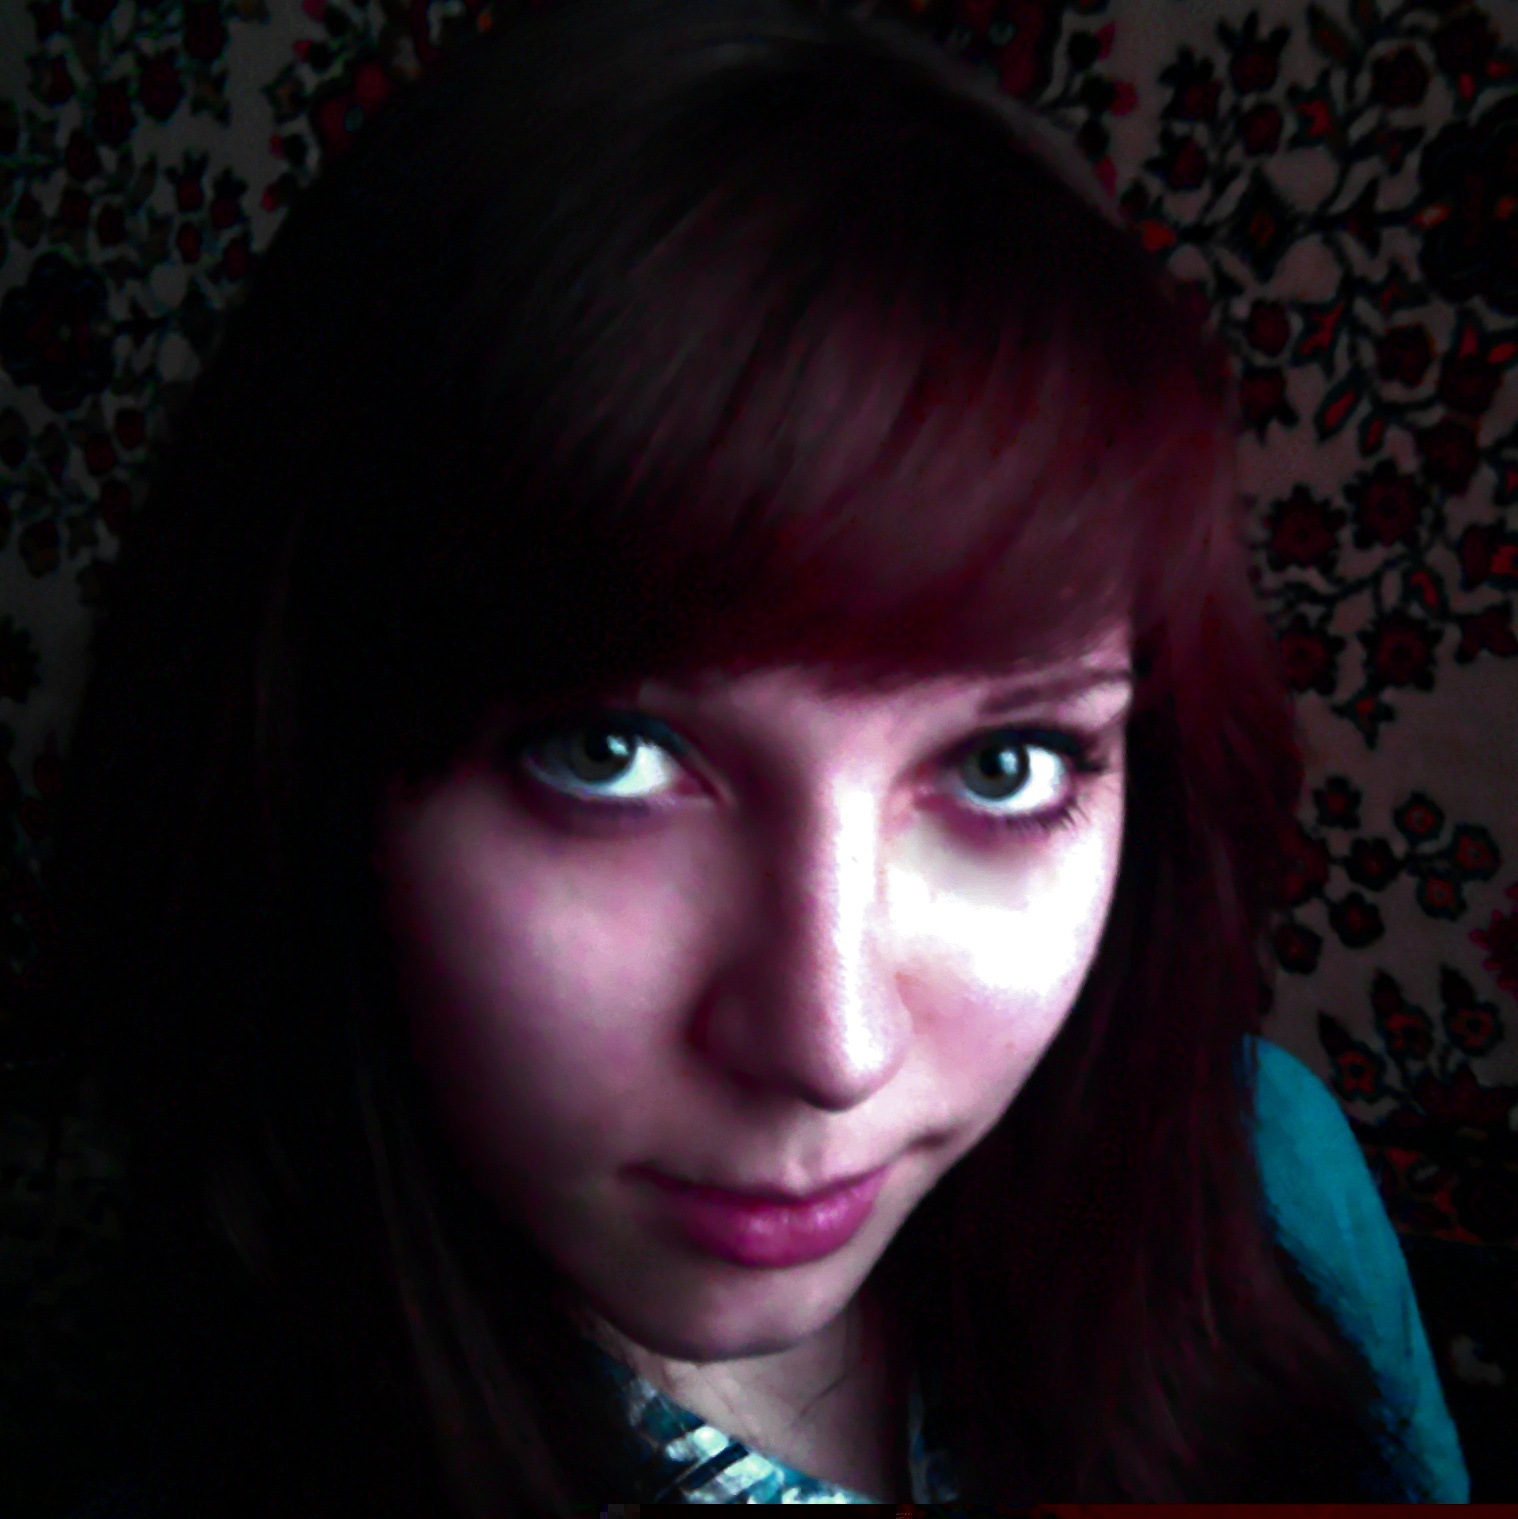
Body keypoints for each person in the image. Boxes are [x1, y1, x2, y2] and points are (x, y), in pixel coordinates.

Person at [45, 0, 1468, 1511]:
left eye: (1006, 767)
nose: (828, 1047)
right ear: (302, 759)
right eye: (607, 755)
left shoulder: (1267, 1177)